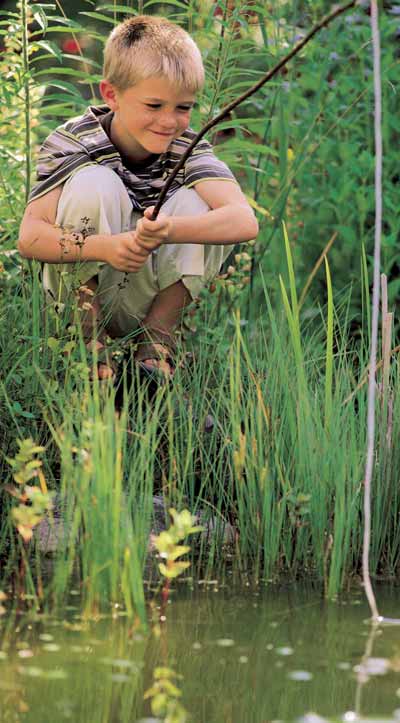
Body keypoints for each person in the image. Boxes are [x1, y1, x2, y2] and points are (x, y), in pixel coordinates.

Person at [18, 15, 258, 381]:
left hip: (146, 293)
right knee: (94, 183)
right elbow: (30, 237)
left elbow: (244, 221)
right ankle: (87, 339)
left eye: (183, 107)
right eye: (154, 105)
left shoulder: (186, 148)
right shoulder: (74, 141)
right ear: (111, 94)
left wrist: (167, 230)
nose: (170, 121)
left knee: (198, 204)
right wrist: (105, 247)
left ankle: (156, 339)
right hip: (86, 285)